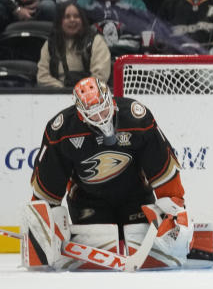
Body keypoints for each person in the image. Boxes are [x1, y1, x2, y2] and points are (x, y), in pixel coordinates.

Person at [25, 76, 204, 270]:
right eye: (93, 114)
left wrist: (175, 210)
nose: (101, 117)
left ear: (111, 99)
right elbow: (46, 191)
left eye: (103, 108)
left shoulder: (137, 118)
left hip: (136, 198)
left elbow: (163, 169)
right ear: (80, 113)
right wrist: (43, 228)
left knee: (146, 235)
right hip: (87, 202)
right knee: (99, 244)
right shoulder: (60, 131)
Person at [36, 2, 111, 89]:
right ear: (60, 22)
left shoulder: (96, 41)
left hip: (90, 94)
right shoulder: (51, 44)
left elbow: (100, 76)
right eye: (67, 17)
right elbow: (42, 77)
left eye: (76, 16)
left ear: (82, 20)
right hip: (58, 93)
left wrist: (81, 90)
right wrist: (62, 89)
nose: (72, 20)